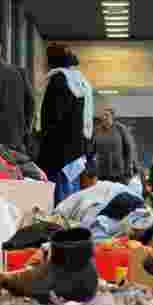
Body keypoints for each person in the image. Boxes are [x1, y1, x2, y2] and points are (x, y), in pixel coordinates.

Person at [38, 44, 89, 204]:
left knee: (60, 206)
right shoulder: (79, 81)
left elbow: (52, 120)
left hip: (57, 156)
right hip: (75, 154)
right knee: (72, 202)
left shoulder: (58, 81)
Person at [91, 106, 138, 185]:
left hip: (119, 173)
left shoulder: (121, 129)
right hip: (102, 173)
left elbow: (129, 150)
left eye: (106, 115)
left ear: (112, 116)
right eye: (102, 115)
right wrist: (91, 168)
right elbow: (91, 150)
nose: (104, 117)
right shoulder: (97, 130)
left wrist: (128, 169)